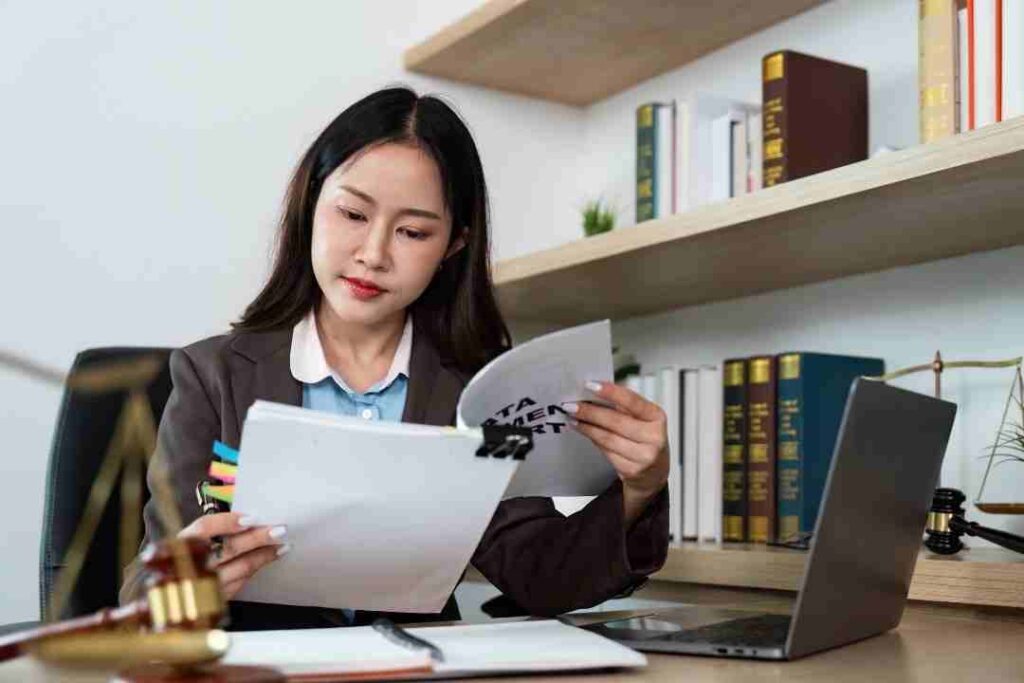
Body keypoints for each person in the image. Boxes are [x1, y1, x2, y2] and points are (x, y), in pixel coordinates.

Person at [120, 87, 670, 630]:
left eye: (412, 232)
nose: (373, 254)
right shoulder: (214, 377)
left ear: (453, 245)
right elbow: (146, 592)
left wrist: (640, 489)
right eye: (353, 214)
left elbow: (542, 576)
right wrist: (181, 586)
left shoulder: (477, 393)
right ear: (311, 203)